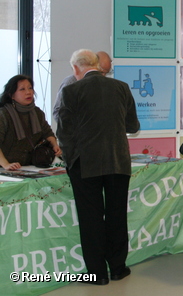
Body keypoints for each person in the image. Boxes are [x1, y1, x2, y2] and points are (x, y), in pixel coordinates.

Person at [57, 49, 140, 285]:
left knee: (90, 218)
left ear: (76, 69)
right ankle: (117, 267)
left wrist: (72, 159)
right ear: (97, 65)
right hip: (117, 161)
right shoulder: (121, 88)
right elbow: (132, 126)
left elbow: (64, 133)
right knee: (116, 215)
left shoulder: (70, 91)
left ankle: (97, 273)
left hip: (85, 164)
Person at [0, 75, 62, 170]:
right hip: (6, 167)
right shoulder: (4, 114)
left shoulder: (37, 112)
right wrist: (5, 164)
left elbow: (47, 132)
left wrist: (55, 145)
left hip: (30, 165)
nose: (28, 92)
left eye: (30, 88)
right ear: (12, 95)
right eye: (22, 89)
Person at [52, 50, 112, 123]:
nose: (103, 76)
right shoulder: (70, 83)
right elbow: (57, 111)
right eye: (101, 72)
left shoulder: (106, 85)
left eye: (106, 73)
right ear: (94, 65)